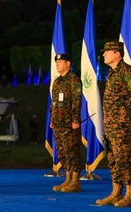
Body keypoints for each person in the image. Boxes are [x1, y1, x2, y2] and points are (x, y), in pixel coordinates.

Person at [96, 41, 131, 207]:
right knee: (113, 159)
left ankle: (130, 196)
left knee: (125, 158)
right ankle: (116, 193)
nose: (104, 54)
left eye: (107, 52)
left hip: (122, 125)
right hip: (111, 125)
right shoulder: (112, 72)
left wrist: (128, 112)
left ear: (117, 53)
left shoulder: (126, 72)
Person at [50, 53, 83, 193]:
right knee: (62, 152)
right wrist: (52, 119)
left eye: (60, 62)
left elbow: (76, 101)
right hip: (58, 122)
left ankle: (75, 181)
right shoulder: (57, 81)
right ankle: (68, 179)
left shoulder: (74, 80)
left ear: (68, 64)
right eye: (56, 62)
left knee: (72, 151)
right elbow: (54, 103)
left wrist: (75, 120)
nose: (57, 64)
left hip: (69, 122)